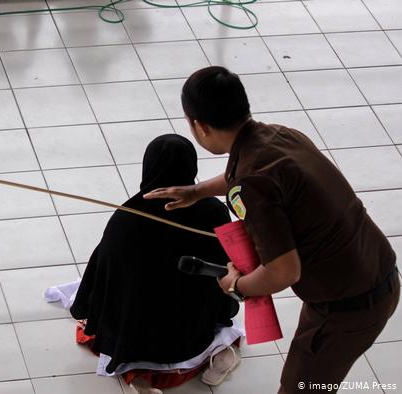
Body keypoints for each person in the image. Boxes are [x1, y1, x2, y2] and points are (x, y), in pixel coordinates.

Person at [144, 66, 399, 393]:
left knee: (300, 388)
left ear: (200, 127)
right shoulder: (278, 135)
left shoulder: (251, 183)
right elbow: (250, 176)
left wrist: (238, 286)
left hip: (349, 305)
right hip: (372, 272)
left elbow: (283, 271)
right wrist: (197, 192)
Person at [69, 134, 243, 394]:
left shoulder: (127, 218)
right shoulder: (214, 212)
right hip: (191, 333)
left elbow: (101, 275)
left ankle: (139, 380)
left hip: (136, 336)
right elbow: (232, 267)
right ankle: (218, 357)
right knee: (224, 319)